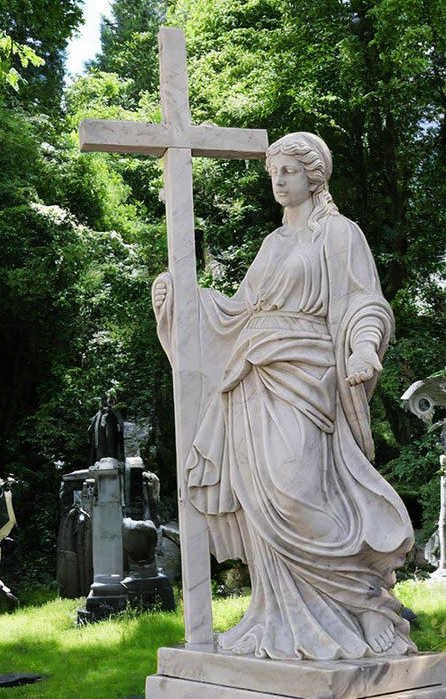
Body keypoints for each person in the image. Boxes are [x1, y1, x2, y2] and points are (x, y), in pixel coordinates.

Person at [153, 132, 416, 660]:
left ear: (314, 176)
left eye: (288, 172)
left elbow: (366, 302)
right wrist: (185, 300)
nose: (278, 181)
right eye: (273, 172)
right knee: (261, 502)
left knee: (297, 492)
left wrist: (364, 350)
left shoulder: (340, 235)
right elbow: (239, 312)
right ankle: (279, 617)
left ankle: (365, 603)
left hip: (309, 375)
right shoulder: (272, 244)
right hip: (251, 376)